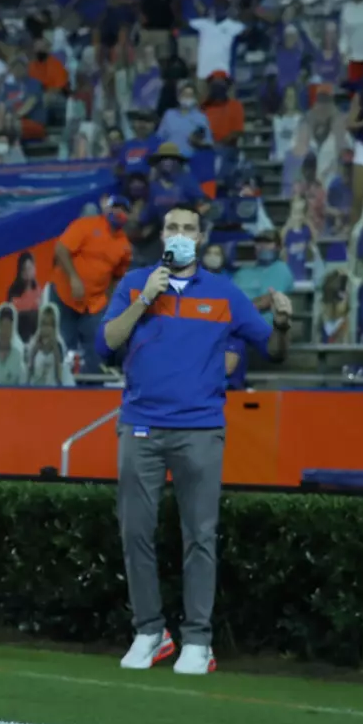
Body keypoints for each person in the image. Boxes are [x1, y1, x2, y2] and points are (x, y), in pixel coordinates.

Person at [96, 205, 292, 676]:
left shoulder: (226, 293)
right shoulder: (135, 283)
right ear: (161, 235)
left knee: (199, 536)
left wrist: (283, 324)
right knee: (135, 533)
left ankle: (198, 640)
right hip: (140, 424)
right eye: (172, 228)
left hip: (200, 429)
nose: (179, 235)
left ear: (201, 238)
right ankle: (149, 632)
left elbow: (273, 352)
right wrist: (144, 299)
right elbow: (105, 343)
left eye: (187, 229)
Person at [51, 195, 133, 371]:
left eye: (124, 210)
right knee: (65, 344)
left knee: (96, 347)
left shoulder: (124, 246)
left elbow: (118, 275)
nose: (119, 212)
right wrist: (74, 278)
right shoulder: (86, 225)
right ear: (108, 209)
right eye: (116, 207)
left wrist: (111, 300)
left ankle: (92, 388)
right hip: (66, 296)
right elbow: (61, 249)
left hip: (94, 304)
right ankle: (64, 387)